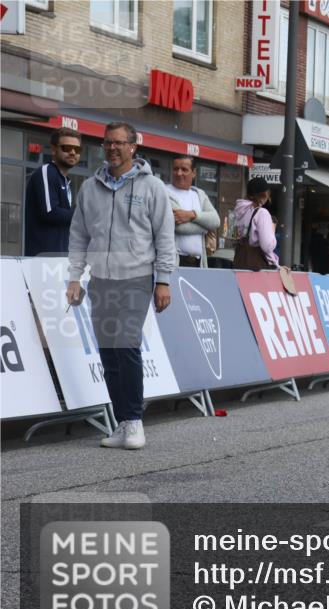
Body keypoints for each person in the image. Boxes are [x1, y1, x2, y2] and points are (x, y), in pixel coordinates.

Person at [66, 121, 174, 450]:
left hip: (137, 278)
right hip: (101, 281)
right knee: (109, 354)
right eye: (107, 143)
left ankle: (136, 422)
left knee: (126, 346)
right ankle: (122, 422)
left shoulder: (152, 187)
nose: (112, 148)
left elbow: (164, 237)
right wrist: (74, 276)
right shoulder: (90, 187)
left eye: (119, 143)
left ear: (133, 147)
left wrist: (164, 280)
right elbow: (79, 235)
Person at [25, 127, 81, 256]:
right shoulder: (46, 172)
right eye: (67, 148)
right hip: (42, 259)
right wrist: (83, 214)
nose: (73, 152)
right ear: (54, 149)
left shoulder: (65, 180)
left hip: (59, 260)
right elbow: (50, 212)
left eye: (77, 149)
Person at [166, 156, 220, 268]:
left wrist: (192, 215)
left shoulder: (199, 194)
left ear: (194, 173)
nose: (179, 173)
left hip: (198, 262)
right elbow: (180, 228)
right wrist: (206, 227)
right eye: (176, 169)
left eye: (184, 169)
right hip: (175, 262)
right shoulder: (164, 192)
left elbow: (216, 221)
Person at [232, 177, 279, 270]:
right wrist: (272, 229)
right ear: (264, 195)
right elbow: (267, 246)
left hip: (240, 262)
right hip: (257, 268)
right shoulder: (262, 213)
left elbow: (235, 235)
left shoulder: (239, 210)